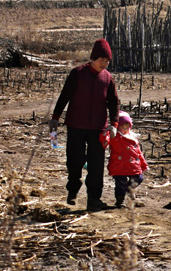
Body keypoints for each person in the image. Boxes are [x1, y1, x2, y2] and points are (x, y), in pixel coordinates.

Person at [48, 39, 119, 211]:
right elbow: (64, 96)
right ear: (93, 58)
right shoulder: (78, 73)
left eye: (107, 61)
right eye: (102, 60)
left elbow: (114, 103)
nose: (104, 64)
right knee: (75, 160)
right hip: (76, 125)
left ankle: (94, 199)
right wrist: (55, 118)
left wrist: (114, 123)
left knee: (96, 165)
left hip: (98, 129)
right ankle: (72, 190)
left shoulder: (107, 78)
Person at [100, 111, 148, 208]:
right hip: (118, 166)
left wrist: (143, 164)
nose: (125, 130)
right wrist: (107, 132)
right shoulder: (114, 136)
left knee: (139, 178)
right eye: (122, 127)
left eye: (127, 127)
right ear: (118, 127)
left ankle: (130, 189)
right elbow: (104, 140)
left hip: (133, 165)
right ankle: (120, 200)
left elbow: (138, 153)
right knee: (120, 184)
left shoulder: (133, 138)